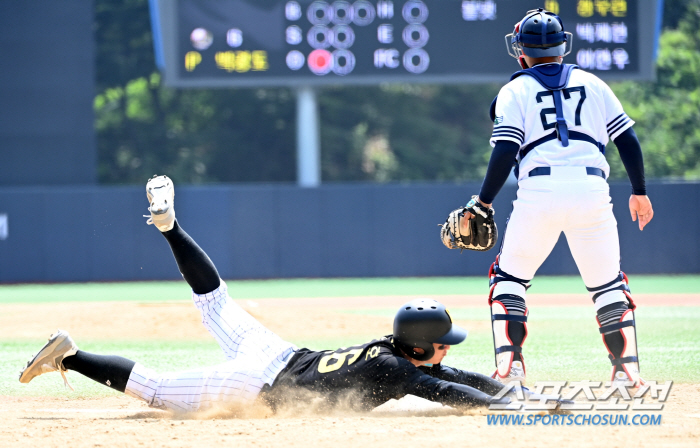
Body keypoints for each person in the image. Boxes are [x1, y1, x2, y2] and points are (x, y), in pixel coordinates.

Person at [19, 175, 517, 413]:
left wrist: (517, 392)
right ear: (417, 347)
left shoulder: (393, 350)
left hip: (277, 352)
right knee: (157, 391)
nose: (448, 346)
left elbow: (451, 374)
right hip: (255, 383)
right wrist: (506, 408)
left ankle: (170, 226)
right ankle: (72, 355)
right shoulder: (396, 368)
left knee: (215, 302)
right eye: (443, 339)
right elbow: (450, 391)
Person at [456, 9, 652, 387]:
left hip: (539, 194)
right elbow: (627, 138)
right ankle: (627, 372)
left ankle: (510, 370)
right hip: (592, 190)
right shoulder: (594, 83)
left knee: (509, 280)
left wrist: (483, 202)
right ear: (563, 47)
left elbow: (506, 149)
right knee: (608, 285)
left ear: (521, 52)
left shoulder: (515, 90)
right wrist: (640, 191)